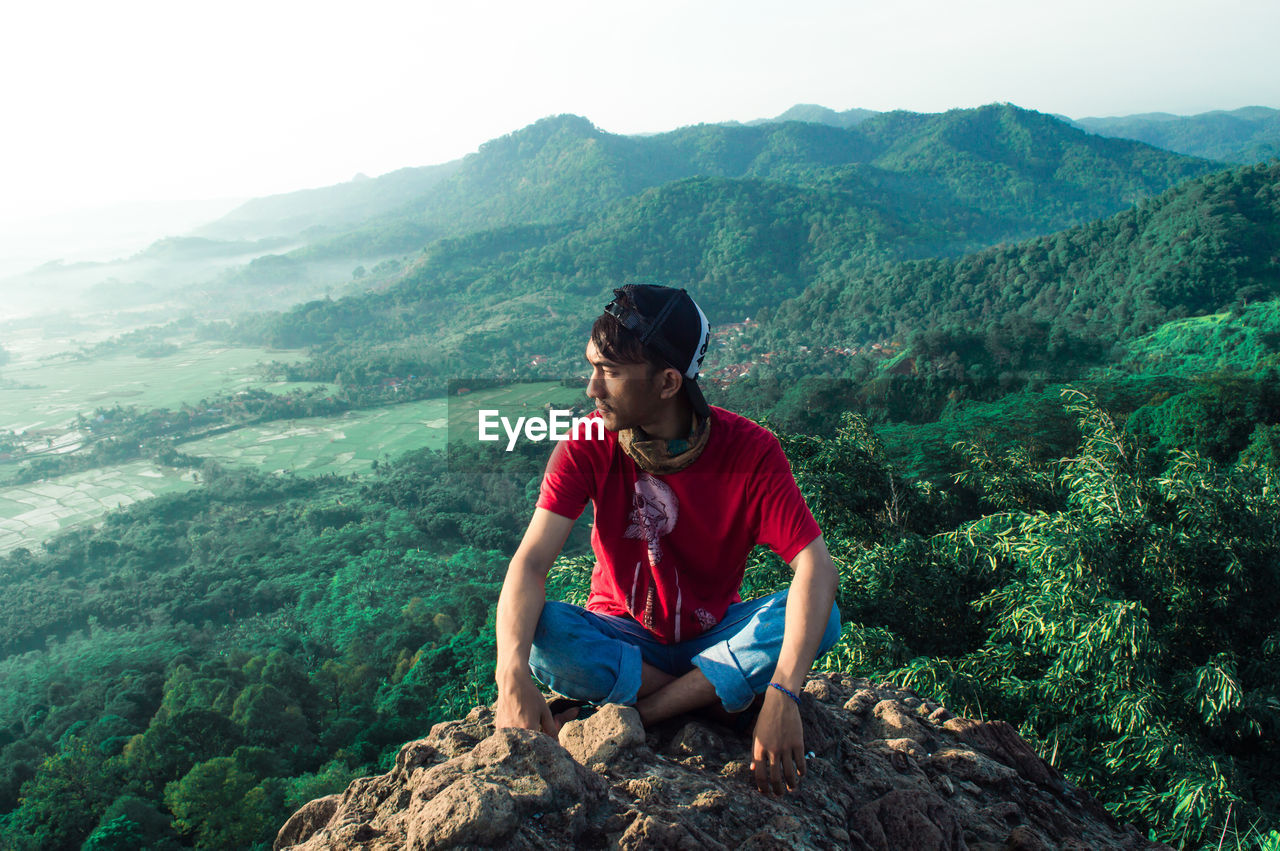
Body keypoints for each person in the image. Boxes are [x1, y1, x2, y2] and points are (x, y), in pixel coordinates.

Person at [494, 284, 840, 796]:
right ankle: (715, 696)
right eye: (593, 368)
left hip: (714, 630)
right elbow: (529, 565)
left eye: (609, 372)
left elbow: (817, 568)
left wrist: (785, 695)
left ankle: (648, 712)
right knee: (542, 633)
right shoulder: (588, 443)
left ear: (668, 381)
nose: (592, 388)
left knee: (822, 615)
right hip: (625, 636)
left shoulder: (749, 451)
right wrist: (510, 674)